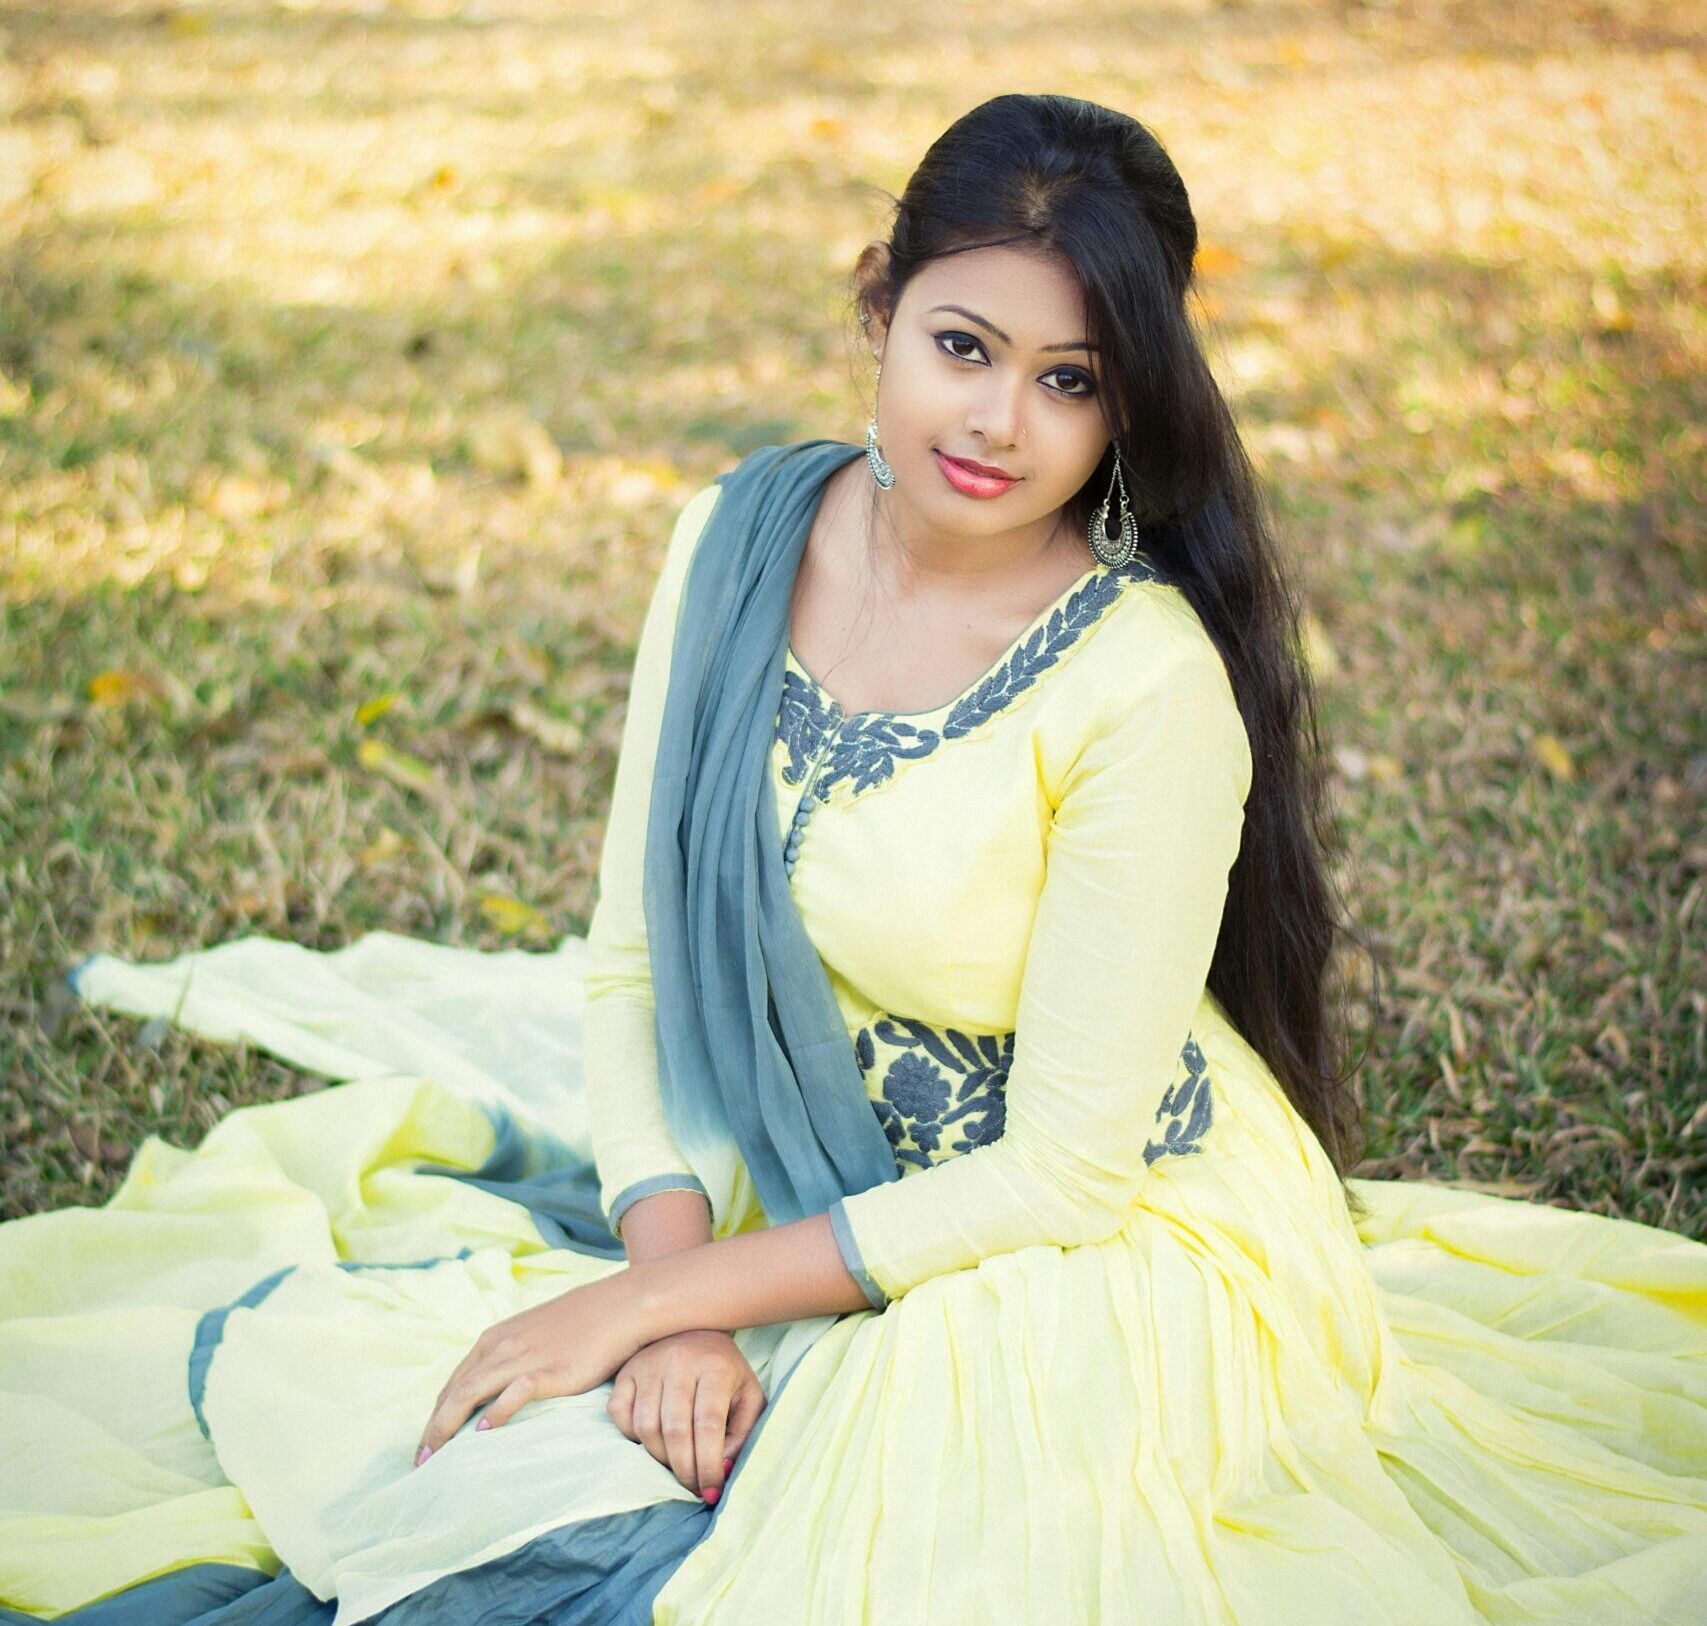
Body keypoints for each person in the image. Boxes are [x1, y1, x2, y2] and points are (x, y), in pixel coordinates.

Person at [4, 92, 1704, 1626]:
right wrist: (665, 1300)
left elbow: (1059, 1178)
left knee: (865, 1556)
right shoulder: (739, 537)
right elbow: (630, 965)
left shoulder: (1142, 683)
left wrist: (638, 1312)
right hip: (778, 1183)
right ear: (878, 304)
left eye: (1072, 380)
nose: (1001, 423)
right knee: (449, 1448)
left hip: (1076, 1248)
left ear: (1131, 405)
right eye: (963, 345)